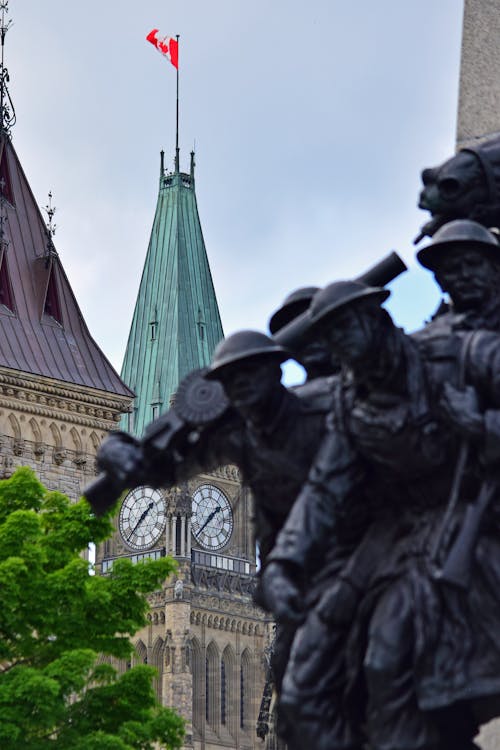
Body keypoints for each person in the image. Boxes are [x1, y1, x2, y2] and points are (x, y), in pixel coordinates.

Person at [262, 279, 500, 750]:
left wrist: (483, 427)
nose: (340, 351)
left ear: (375, 321)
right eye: (332, 341)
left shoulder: (452, 355)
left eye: (345, 334)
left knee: (394, 661)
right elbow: (324, 490)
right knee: (350, 666)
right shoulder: (352, 405)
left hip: (468, 521)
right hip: (395, 546)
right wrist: (286, 563)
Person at [97, 329, 334, 689]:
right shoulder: (236, 437)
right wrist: (114, 449)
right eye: (234, 385)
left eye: (248, 382)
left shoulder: (318, 416)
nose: (243, 394)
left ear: (274, 376)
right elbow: (165, 462)